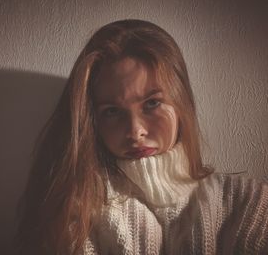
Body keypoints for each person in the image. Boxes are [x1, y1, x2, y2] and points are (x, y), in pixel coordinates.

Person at [17, 20, 268, 254]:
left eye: (152, 103)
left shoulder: (249, 203)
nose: (136, 131)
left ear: (182, 102)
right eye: (112, 112)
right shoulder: (76, 210)